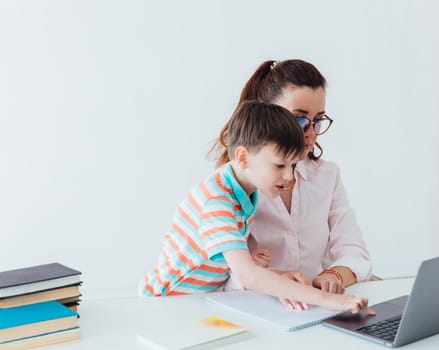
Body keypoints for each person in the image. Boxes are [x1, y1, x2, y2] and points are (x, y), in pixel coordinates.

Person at [140, 101, 373, 314]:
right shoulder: (217, 199)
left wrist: (279, 278)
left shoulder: (245, 194)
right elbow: (248, 276)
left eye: (293, 165)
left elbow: (238, 271)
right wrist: (331, 301)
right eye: (280, 165)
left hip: (198, 304)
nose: (289, 176)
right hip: (164, 304)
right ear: (243, 158)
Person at [213, 59, 372, 301]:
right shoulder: (232, 187)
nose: (309, 134)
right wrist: (275, 278)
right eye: (298, 119)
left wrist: (335, 276)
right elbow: (225, 280)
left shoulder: (327, 176)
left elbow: (356, 253)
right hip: (254, 308)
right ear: (267, 115)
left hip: (313, 307)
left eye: (318, 121)